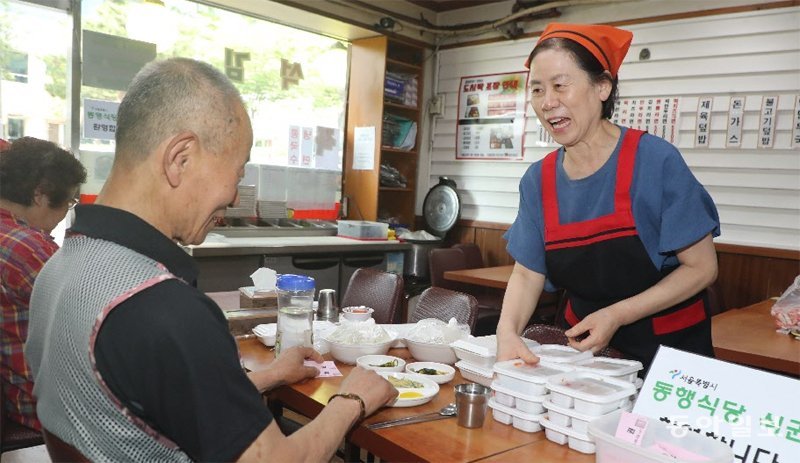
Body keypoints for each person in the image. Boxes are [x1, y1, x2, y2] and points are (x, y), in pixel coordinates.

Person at [25, 58, 397, 461]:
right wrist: (351, 400)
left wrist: (270, 375)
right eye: (237, 172)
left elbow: (141, 403)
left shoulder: (58, 269)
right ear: (180, 157)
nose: (235, 196)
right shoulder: (163, 310)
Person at [497, 23, 720, 372]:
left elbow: (702, 268)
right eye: (537, 90)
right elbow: (527, 275)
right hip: (587, 354)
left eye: (560, 86)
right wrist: (507, 332)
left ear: (602, 86)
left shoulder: (655, 161)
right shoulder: (538, 181)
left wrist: (618, 314)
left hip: (671, 354)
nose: (547, 102)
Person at [0, 137, 86, 433]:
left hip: (15, 396)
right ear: (40, 195)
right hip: (49, 409)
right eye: (69, 201)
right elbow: (90, 317)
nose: (65, 213)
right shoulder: (26, 248)